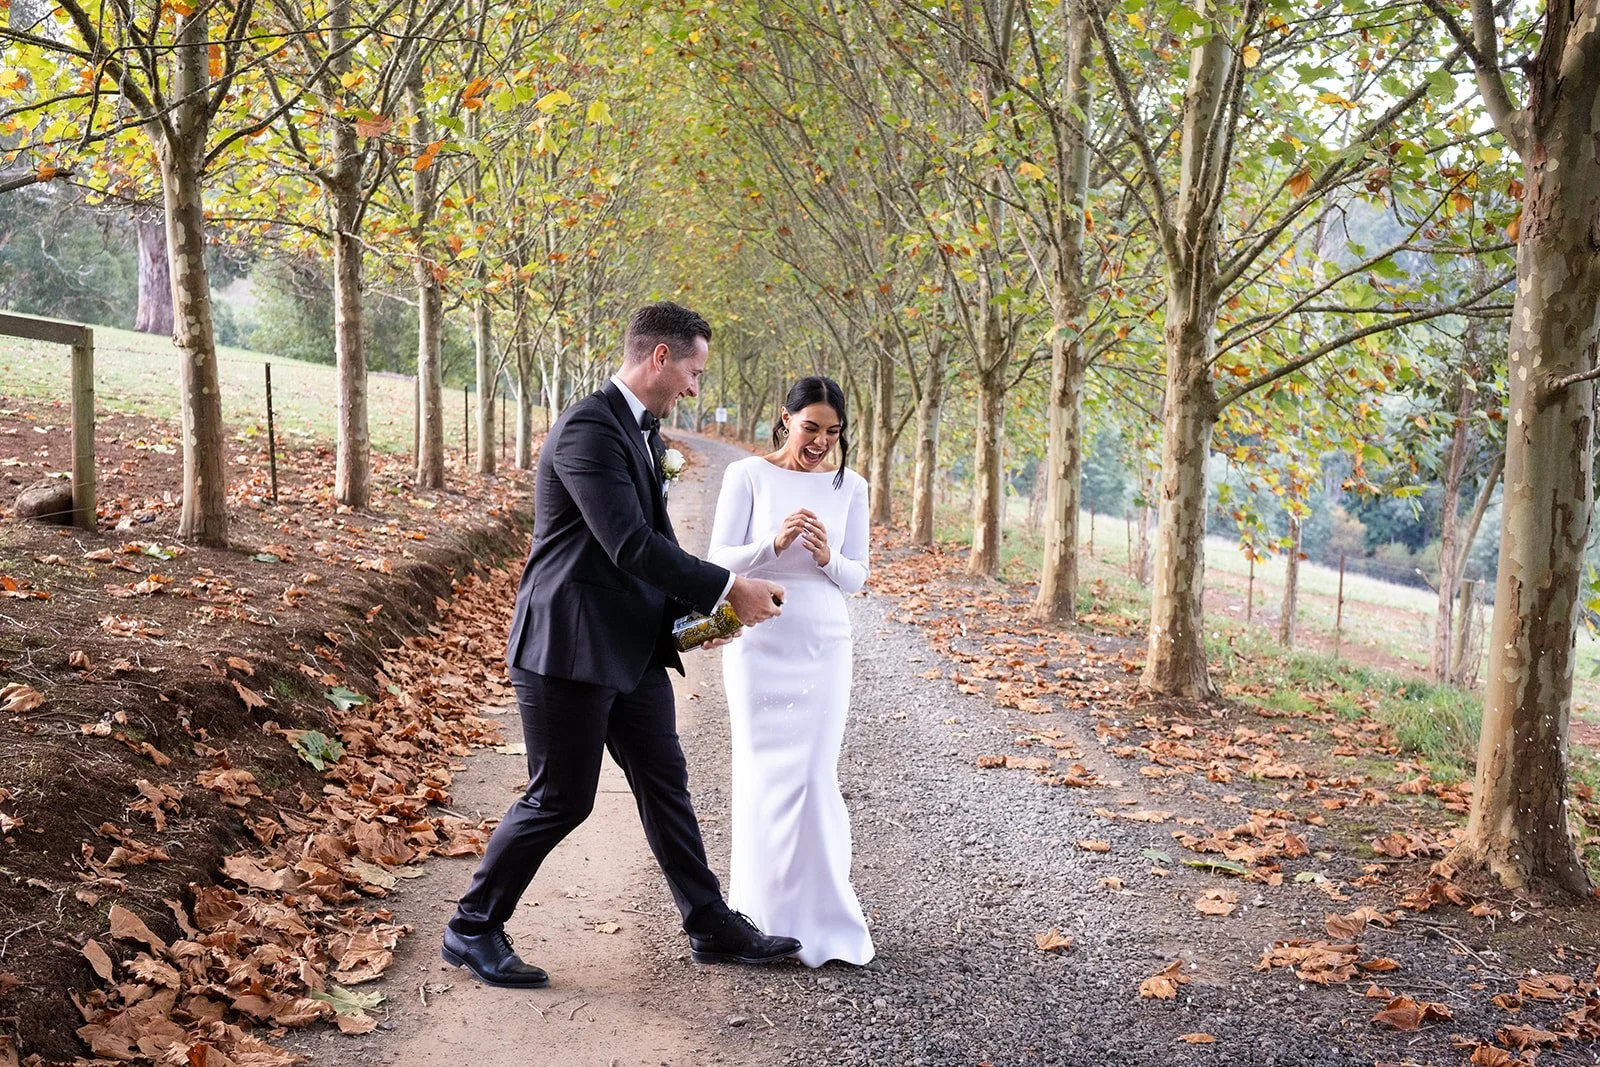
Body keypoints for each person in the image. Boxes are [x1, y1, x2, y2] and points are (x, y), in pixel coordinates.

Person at [442, 301, 800, 988]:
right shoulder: (587, 428)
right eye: (694, 370)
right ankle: (473, 926)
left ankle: (709, 922)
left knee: (666, 784)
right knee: (561, 797)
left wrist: (707, 615)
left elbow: (657, 542)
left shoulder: (642, 431)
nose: (696, 387)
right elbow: (627, 544)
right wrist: (728, 587)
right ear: (660, 358)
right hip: (566, 649)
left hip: (627, 649)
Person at [706, 375, 875, 968]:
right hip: (759, 641)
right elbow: (716, 561)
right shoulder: (747, 476)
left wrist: (831, 558)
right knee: (760, 776)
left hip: (823, 642)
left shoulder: (850, 486)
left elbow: (859, 577)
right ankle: (760, 917)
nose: (821, 442)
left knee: (812, 777)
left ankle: (827, 921)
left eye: (833, 432)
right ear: (786, 419)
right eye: (811, 428)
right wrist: (772, 544)